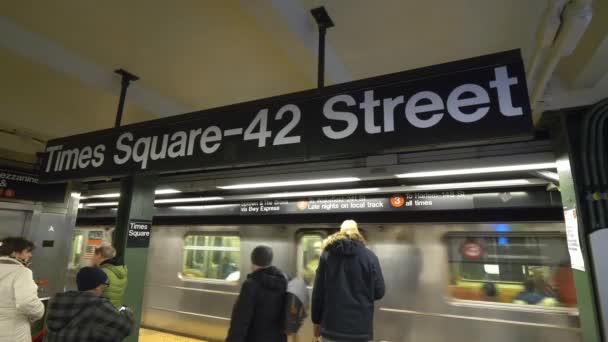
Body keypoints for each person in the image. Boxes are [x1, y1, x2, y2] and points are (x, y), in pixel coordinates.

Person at [312, 220, 385, 342]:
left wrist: (316, 321)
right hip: (359, 329)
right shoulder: (370, 257)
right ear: (358, 234)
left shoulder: (327, 255)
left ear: (340, 233)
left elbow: (318, 292)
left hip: (331, 326)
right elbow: (379, 292)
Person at [44, 266, 134, 341]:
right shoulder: (98, 305)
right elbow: (125, 326)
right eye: (105, 285)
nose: (105, 288)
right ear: (97, 286)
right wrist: (125, 310)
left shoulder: (56, 301)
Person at [226, 245, 288, 342]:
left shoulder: (250, 285)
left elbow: (241, 321)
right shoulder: (283, 281)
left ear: (252, 261)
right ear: (270, 261)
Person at [0, 237, 45, 342]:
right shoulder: (22, 272)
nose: (30, 255)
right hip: (13, 335)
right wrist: (39, 312)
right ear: (15, 253)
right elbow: (26, 302)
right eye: (27, 251)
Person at [92, 244, 128, 308]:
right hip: (114, 311)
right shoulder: (121, 271)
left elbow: (92, 295)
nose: (93, 258)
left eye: (94, 255)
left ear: (99, 255)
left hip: (101, 311)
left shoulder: (102, 272)